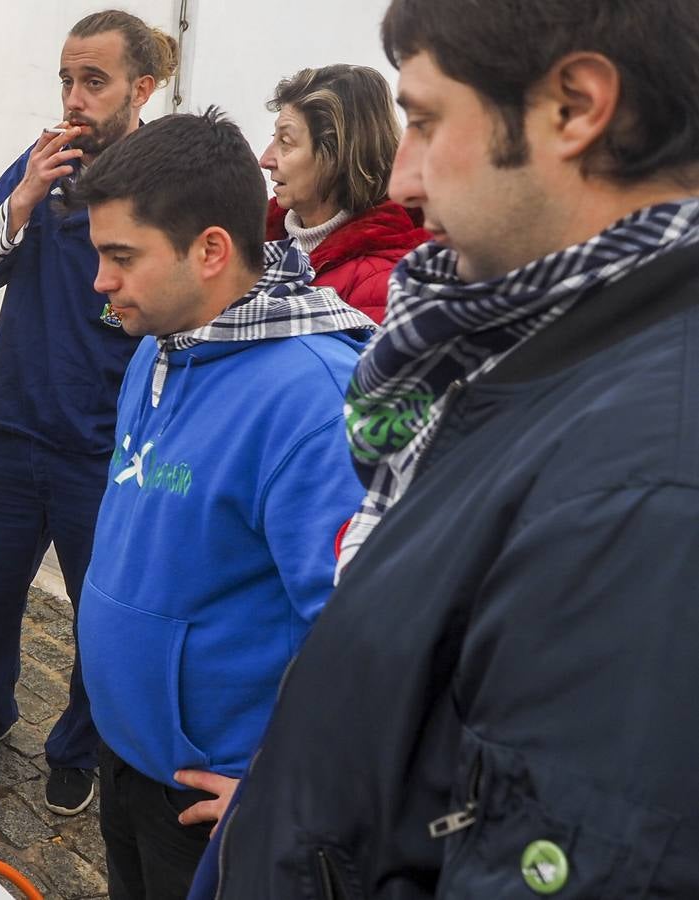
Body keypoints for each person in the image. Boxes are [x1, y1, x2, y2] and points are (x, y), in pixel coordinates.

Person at [208, 1, 699, 896]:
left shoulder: (643, 489)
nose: (399, 181)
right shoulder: (512, 350)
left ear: (575, 108)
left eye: (426, 121)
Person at [70, 109, 374, 900]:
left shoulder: (311, 396)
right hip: (129, 757)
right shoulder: (156, 347)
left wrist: (286, 796)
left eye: (120, 257)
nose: (100, 281)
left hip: (216, 801)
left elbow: (366, 639)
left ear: (209, 250)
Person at [0, 10, 176, 817]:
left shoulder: (166, 181)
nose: (73, 97)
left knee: (94, 614)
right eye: (66, 79)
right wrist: (27, 195)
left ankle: (77, 746)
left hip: (101, 446)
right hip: (9, 424)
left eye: (92, 81)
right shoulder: (40, 160)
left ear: (141, 89)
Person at [259, 64, 428, 321]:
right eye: (274, 138)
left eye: (285, 142)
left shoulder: (382, 284)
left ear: (337, 156)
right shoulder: (256, 246)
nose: (265, 159)